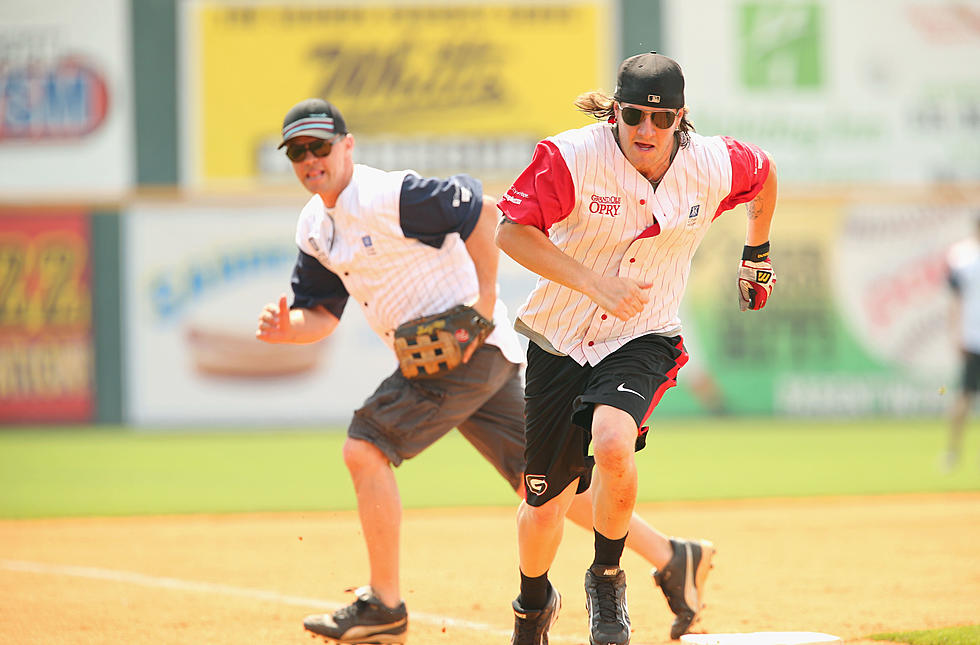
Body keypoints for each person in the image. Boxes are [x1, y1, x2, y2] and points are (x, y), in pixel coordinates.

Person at [256, 98, 719, 645]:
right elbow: (321, 314)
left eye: (320, 146)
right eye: (298, 152)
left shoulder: (383, 196)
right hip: (468, 359)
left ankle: (385, 605)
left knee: (365, 446)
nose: (311, 158)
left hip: (468, 350)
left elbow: (480, 209)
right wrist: (292, 329)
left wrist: (484, 301)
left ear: (347, 146)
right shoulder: (315, 226)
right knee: (546, 488)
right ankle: (673, 558)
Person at [496, 52, 778, 644]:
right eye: (633, 116)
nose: (646, 131)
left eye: (661, 118)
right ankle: (532, 604)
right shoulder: (571, 158)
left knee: (613, 440)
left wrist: (756, 254)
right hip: (561, 336)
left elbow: (765, 175)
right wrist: (594, 281)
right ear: (615, 111)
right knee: (545, 501)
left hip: (643, 335)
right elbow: (510, 232)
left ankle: (606, 581)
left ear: (682, 118)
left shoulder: (713, 164)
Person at [944, 217, 980, 471]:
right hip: (973, 338)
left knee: (963, 397)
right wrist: (957, 334)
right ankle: (952, 452)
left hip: (969, 337)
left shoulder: (962, 256)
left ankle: (951, 454)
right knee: (963, 397)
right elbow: (955, 300)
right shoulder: (962, 256)